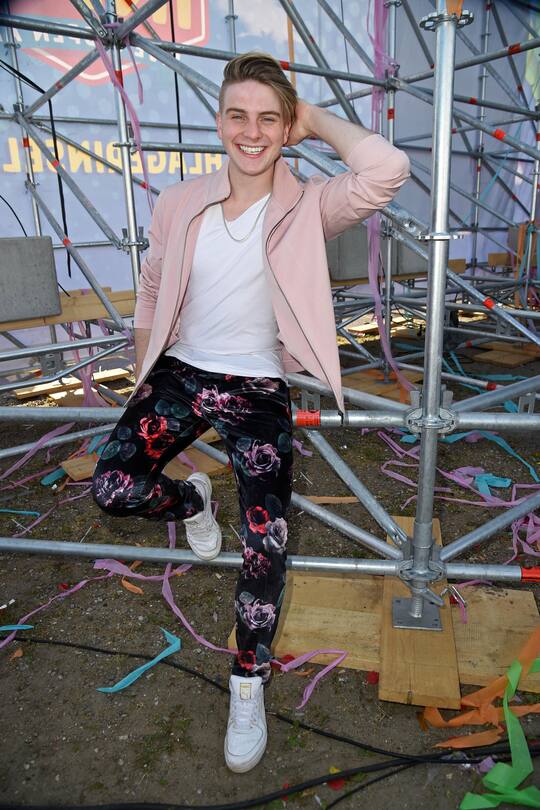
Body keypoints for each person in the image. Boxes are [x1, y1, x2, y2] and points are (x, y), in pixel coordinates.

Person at [92, 51, 410, 773]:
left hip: (257, 387)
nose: (252, 130)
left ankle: (247, 681)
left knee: (266, 544)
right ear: (220, 121)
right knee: (113, 489)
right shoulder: (181, 200)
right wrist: (144, 370)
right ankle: (193, 498)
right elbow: (150, 285)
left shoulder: (307, 204)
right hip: (179, 371)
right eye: (238, 115)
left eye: (269, 117)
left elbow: (386, 169)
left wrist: (315, 121)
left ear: (285, 124)